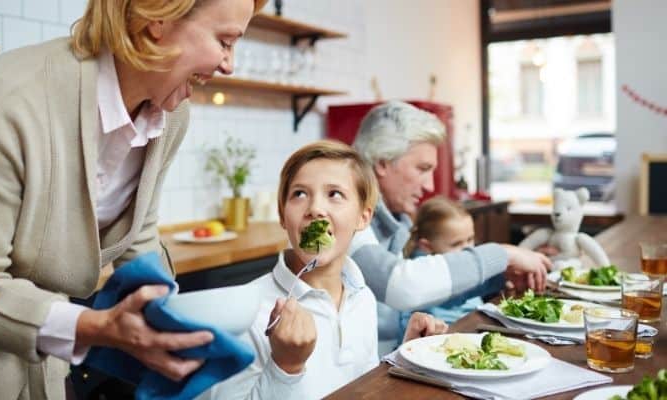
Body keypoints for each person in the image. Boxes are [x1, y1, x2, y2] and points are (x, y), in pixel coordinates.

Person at [0, 0, 266, 398]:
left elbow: (140, 237)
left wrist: (173, 326)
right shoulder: (8, 100)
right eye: (225, 41)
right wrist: (97, 329)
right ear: (157, 19)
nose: (229, 64)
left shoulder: (170, 116)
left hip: (48, 364)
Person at [204, 140, 448, 400]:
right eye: (299, 194)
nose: (315, 209)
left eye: (335, 194)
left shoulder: (362, 296)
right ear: (282, 215)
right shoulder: (247, 313)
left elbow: (360, 384)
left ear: (363, 217)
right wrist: (285, 367)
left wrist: (405, 356)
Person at [348, 100, 551, 344]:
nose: (429, 186)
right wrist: (503, 255)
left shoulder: (391, 221)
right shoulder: (345, 215)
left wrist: (499, 276)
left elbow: (424, 292)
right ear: (382, 162)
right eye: (422, 168)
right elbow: (401, 285)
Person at [398, 196, 504, 331]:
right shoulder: (420, 275)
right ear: (427, 246)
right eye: (456, 244)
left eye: (470, 239)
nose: (468, 249)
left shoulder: (468, 264)